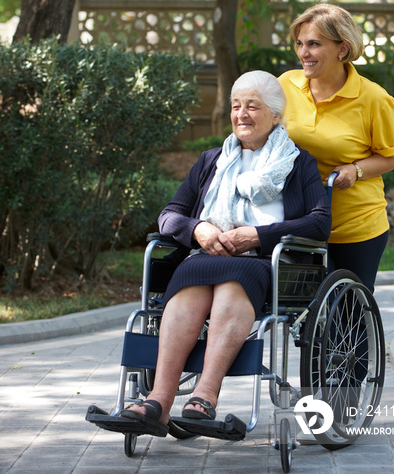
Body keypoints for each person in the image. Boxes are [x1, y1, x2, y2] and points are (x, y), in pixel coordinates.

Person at [117, 70, 331, 436]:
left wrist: (259, 235)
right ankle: (159, 401)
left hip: (263, 262)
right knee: (188, 285)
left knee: (233, 283)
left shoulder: (298, 163)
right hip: (205, 256)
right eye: (236, 106)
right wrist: (198, 228)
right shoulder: (211, 161)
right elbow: (169, 215)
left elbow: (319, 223)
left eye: (252, 106)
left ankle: (205, 395)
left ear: (276, 116)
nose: (241, 114)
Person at [278, 3, 394, 294]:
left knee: (348, 316)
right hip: (300, 221)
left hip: (354, 226)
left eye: (313, 44)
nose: (303, 53)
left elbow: (393, 155)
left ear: (342, 49)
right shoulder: (285, 84)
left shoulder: (374, 99)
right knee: (305, 312)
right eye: (299, 43)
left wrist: (356, 169)